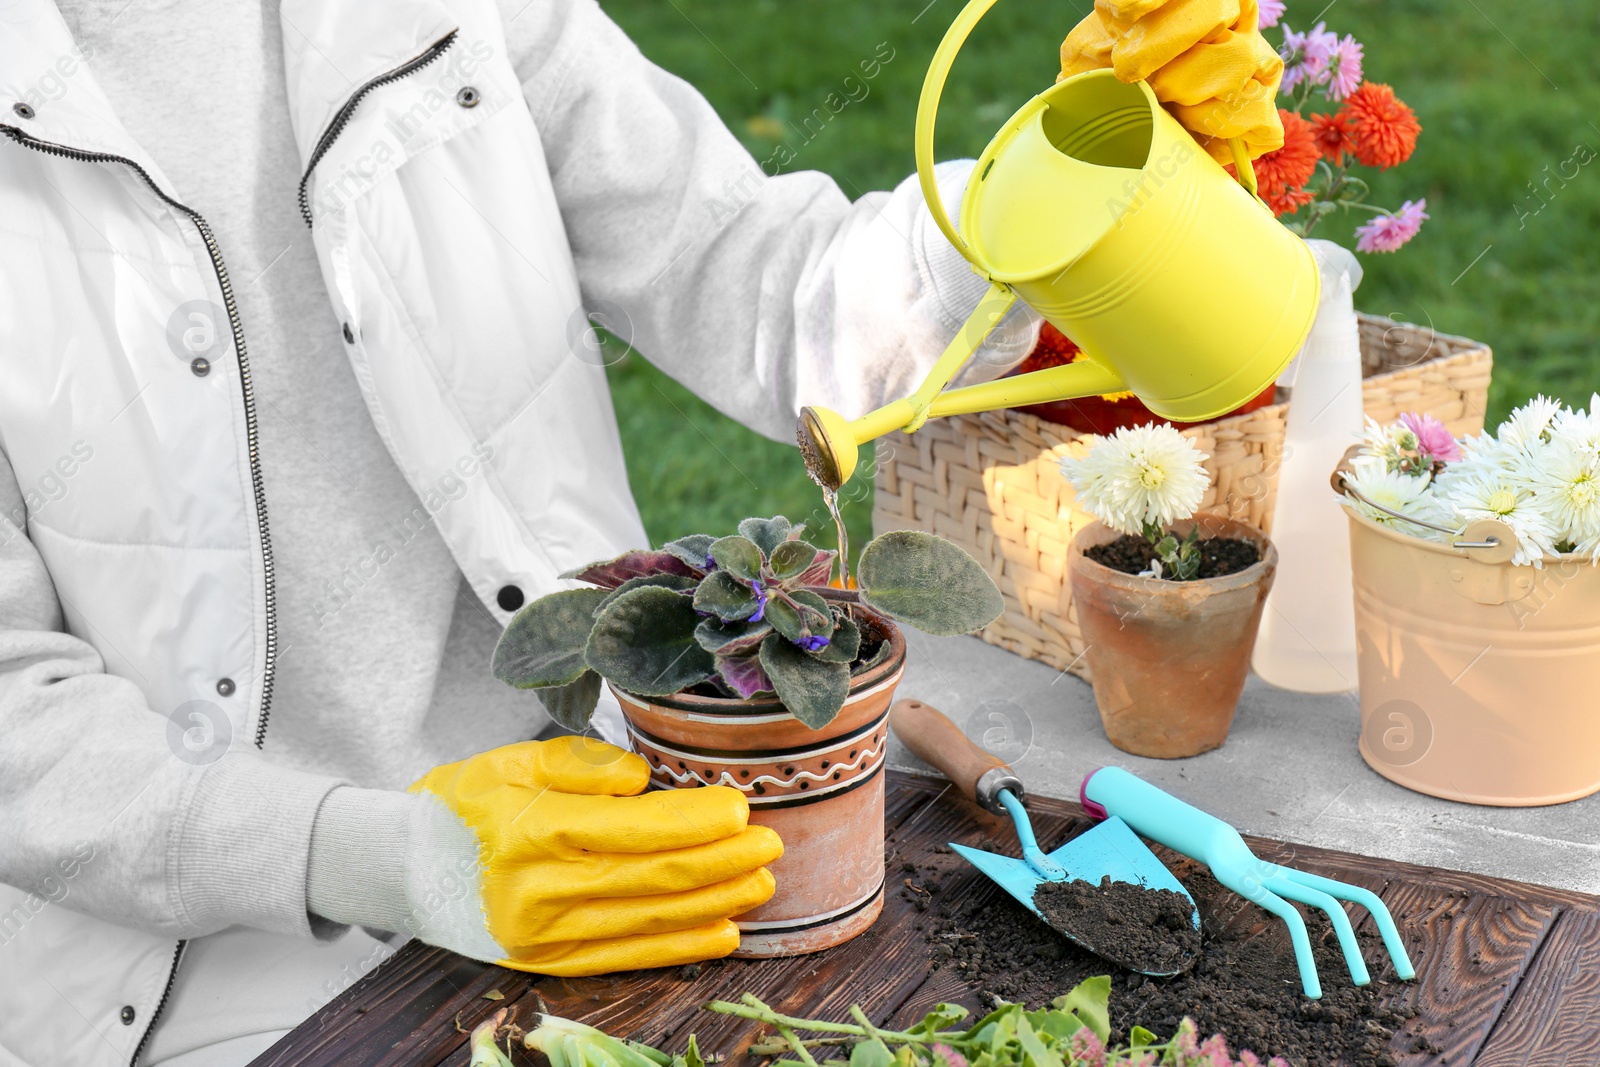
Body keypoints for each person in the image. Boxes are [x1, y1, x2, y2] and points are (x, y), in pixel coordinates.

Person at [0, 1, 1038, 1064]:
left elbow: (747, 269)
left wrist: (1038, 195)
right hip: (209, 977)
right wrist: (395, 861)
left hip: (600, 846)